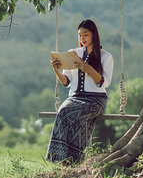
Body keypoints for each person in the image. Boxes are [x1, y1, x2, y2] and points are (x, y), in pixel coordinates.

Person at [46, 19, 114, 164]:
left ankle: (67, 160)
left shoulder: (106, 56)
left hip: (95, 100)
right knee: (73, 117)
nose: (82, 39)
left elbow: (104, 82)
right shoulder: (73, 54)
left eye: (85, 35)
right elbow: (66, 82)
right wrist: (56, 70)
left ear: (94, 35)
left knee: (67, 113)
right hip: (74, 98)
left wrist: (87, 68)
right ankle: (70, 161)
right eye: (80, 35)